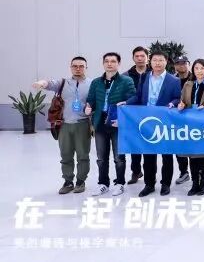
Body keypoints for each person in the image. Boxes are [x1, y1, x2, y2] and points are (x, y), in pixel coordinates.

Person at [125, 51, 182, 197]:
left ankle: (165, 184)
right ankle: (149, 184)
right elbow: (138, 96)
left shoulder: (174, 80)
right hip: (147, 121)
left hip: (165, 121)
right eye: (155, 60)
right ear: (150, 62)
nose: (157, 63)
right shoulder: (144, 77)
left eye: (161, 60)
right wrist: (126, 103)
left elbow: (177, 98)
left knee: (166, 155)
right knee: (148, 155)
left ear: (166, 62)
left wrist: (172, 103)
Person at [32, 56, 92, 194]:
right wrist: (41, 83)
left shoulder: (92, 83)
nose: (78, 69)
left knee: (83, 155)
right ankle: (68, 181)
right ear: (70, 67)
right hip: (64, 125)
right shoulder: (63, 83)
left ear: (86, 68)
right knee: (66, 155)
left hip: (82, 124)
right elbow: (49, 83)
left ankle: (81, 181)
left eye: (81, 66)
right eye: (75, 66)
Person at [85, 52, 136, 196]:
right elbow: (91, 100)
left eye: (113, 61)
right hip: (100, 122)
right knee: (101, 158)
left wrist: (125, 106)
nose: (109, 64)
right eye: (106, 61)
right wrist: (88, 107)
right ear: (103, 64)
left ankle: (120, 183)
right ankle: (103, 184)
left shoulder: (126, 81)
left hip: (117, 122)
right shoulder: (96, 82)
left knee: (119, 157)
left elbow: (133, 99)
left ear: (118, 64)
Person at [175, 59, 204, 196]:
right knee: (192, 155)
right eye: (196, 68)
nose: (199, 71)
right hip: (190, 124)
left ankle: (203, 183)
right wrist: (181, 105)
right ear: (193, 70)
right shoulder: (188, 84)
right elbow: (182, 101)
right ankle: (194, 183)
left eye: (202, 68)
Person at [126, 46, 150, 185]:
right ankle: (136, 171)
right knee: (134, 145)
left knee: (148, 144)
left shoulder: (153, 73)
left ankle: (149, 175)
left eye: (142, 56)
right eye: (137, 56)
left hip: (149, 114)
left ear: (147, 58)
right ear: (133, 58)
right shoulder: (126, 75)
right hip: (132, 114)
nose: (140, 58)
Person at [173, 55, 192, 186]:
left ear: (188, 64)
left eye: (184, 63)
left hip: (194, 118)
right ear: (175, 66)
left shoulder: (195, 78)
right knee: (179, 146)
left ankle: (198, 172)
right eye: (179, 63)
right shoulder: (171, 80)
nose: (182, 65)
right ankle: (184, 172)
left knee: (195, 144)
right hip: (177, 118)